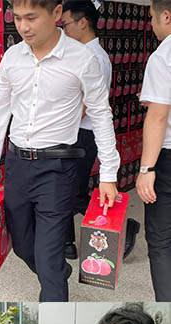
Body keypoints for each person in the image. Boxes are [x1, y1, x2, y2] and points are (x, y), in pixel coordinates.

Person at [0, 0, 120, 302]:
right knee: (23, 247)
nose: (23, 27)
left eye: (31, 18)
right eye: (17, 18)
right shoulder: (12, 57)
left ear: (56, 13)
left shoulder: (82, 59)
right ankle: (55, 271)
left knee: (48, 257)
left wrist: (109, 174)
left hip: (58, 168)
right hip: (17, 164)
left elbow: (100, 115)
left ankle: (54, 281)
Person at [60, 1, 141, 260]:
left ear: (83, 22)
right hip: (76, 133)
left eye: (66, 25)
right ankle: (66, 243)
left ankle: (123, 227)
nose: (64, 31)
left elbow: (88, 106)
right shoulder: (80, 54)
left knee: (70, 192)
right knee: (67, 189)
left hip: (82, 135)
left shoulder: (94, 58)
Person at [136, 0, 171, 301]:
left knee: (161, 242)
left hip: (169, 157)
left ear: (166, 16)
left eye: (152, 18)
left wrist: (146, 169)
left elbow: (158, 116)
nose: (151, 24)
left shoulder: (163, 56)